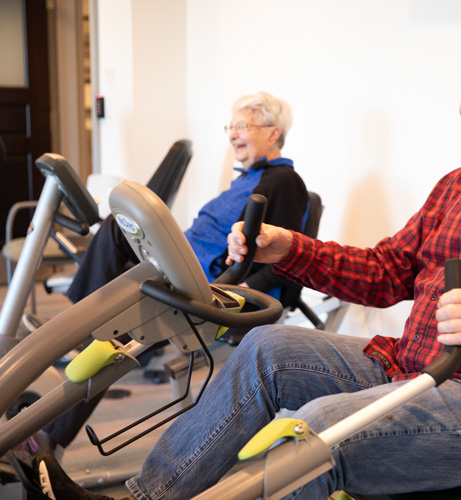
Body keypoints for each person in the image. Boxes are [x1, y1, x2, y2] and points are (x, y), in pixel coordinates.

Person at [36, 32, 461, 500]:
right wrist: (288, 248)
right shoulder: (458, 185)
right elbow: (386, 271)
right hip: (410, 370)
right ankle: (148, 497)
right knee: (269, 351)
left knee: (314, 432)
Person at [32, 90, 309, 459]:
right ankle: (76, 327)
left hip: (202, 286)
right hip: (179, 265)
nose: (232, 134)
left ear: (274, 132)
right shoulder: (247, 178)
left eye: (243, 126)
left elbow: (285, 264)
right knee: (119, 225)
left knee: (116, 339)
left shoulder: (283, 182)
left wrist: (243, 288)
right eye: (231, 125)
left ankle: (50, 435)